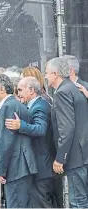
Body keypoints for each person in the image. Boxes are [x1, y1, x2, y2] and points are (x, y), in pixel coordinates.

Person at [5, 76, 56, 207]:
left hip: (42, 166)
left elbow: (40, 129)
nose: (18, 94)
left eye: (20, 90)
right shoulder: (35, 105)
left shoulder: (40, 106)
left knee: (42, 202)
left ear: (31, 90)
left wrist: (20, 125)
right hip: (39, 166)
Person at [0, 74, 37, 208]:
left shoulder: (8, 107)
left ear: (2, 89)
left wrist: (0, 171)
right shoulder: (14, 105)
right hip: (20, 168)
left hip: (16, 170)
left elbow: (6, 143)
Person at [45, 57, 88, 208]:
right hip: (82, 155)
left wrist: (60, 158)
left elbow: (67, 128)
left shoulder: (62, 92)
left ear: (55, 73)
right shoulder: (77, 89)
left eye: (47, 73)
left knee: (78, 202)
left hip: (75, 158)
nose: (45, 76)